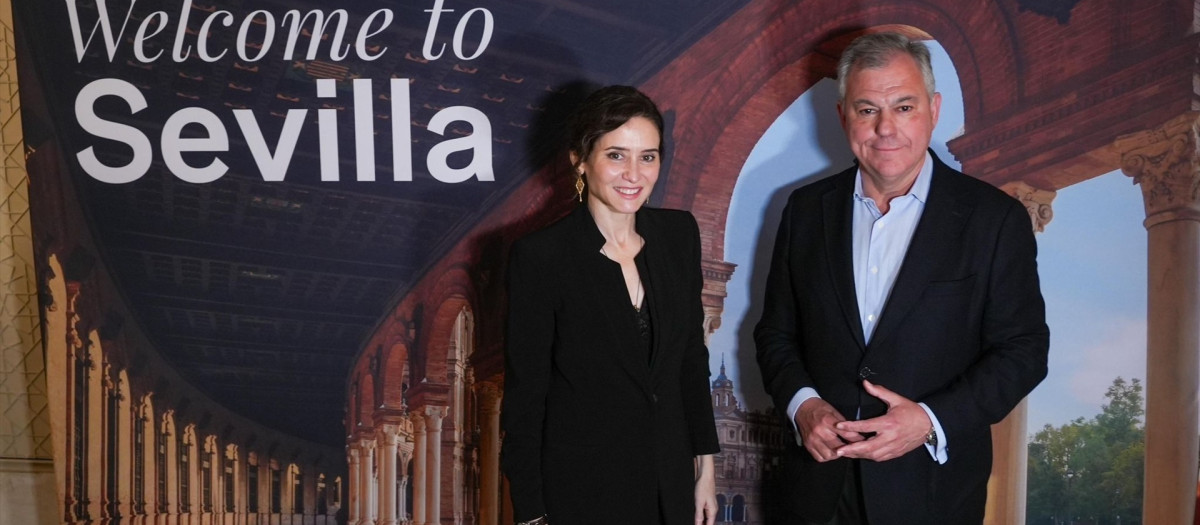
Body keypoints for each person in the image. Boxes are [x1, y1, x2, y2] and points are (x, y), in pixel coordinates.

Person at [754, 33, 1049, 524]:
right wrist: (803, 405)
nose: (885, 128)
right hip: (816, 493)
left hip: (932, 494)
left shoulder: (994, 219)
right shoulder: (805, 211)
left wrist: (930, 421)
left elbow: (1024, 351)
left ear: (933, 110)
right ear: (843, 115)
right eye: (867, 109)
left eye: (904, 106)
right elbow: (776, 334)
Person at [501, 85, 719, 525]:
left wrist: (705, 470)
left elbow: (691, 362)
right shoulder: (542, 256)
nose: (633, 174)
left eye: (648, 156)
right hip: (583, 494)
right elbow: (526, 397)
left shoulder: (679, 236)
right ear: (580, 160)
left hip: (671, 487)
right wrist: (530, 513)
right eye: (616, 155)